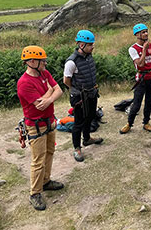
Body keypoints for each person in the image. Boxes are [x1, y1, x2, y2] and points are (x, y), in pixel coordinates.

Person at [17, 46, 64, 211]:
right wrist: (51, 92)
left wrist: (50, 96)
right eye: (42, 60)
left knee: (50, 152)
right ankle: (35, 193)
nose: (45, 62)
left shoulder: (45, 73)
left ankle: (46, 181)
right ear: (31, 62)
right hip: (36, 127)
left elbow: (59, 90)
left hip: (49, 122)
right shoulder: (24, 83)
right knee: (38, 160)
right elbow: (40, 106)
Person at [64, 30, 103, 163]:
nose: (92, 47)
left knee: (90, 116)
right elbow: (66, 80)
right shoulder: (71, 62)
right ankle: (77, 148)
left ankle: (86, 139)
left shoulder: (88, 56)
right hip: (79, 96)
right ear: (81, 45)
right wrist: (76, 90)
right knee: (78, 122)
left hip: (91, 93)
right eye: (90, 45)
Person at [119, 23, 151, 134]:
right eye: (143, 32)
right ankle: (129, 124)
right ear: (137, 35)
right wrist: (144, 50)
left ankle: (146, 123)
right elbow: (140, 64)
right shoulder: (133, 49)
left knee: (149, 102)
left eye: (146, 31)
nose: (146, 34)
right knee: (136, 104)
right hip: (141, 79)